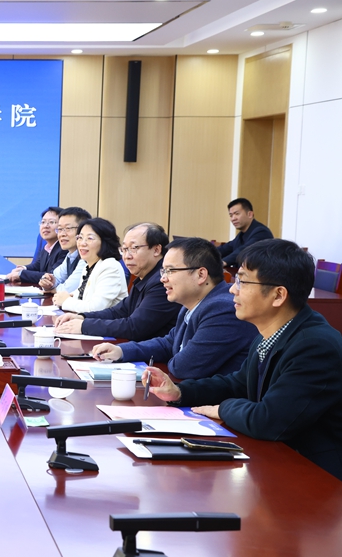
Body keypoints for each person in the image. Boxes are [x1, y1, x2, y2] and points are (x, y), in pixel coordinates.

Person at [144, 239, 342, 480]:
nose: (232, 290)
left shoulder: (315, 346)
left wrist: (222, 409)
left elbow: (269, 420)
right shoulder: (268, 334)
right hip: (277, 462)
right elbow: (237, 384)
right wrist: (179, 392)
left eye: (242, 282)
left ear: (278, 295)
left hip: (318, 477)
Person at [91, 237, 257, 379]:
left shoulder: (223, 309)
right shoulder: (192, 304)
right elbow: (169, 343)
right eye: (163, 271)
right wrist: (121, 351)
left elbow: (184, 367)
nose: (163, 279)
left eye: (170, 271)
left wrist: (172, 355)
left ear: (201, 275)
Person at [55, 223, 180, 341]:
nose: (127, 256)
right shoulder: (144, 277)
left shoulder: (162, 282)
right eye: (124, 249)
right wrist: (82, 317)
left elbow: (134, 327)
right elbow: (119, 311)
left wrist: (84, 326)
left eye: (134, 248)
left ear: (156, 250)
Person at [52, 217, 127, 313]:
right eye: (80, 238)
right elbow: (81, 296)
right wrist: (67, 297)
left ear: (105, 242)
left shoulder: (110, 267)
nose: (82, 243)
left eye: (90, 238)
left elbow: (96, 308)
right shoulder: (88, 266)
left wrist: (65, 301)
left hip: (106, 322)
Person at [8, 207, 66, 284]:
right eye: (43, 222)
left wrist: (21, 274)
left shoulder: (64, 249)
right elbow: (38, 265)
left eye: (51, 222)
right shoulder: (47, 247)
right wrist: (23, 268)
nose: (46, 226)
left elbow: (51, 276)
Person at [39, 206, 91, 292]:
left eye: (68, 228)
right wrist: (47, 282)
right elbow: (55, 277)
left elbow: (68, 289)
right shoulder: (70, 255)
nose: (62, 234)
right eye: (60, 229)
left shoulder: (87, 257)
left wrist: (52, 290)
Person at [219, 197, 274, 268]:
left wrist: (223, 262)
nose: (233, 218)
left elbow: (245, 251)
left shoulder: (261, 232)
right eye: (231, 215)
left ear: (250, 214)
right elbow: (225, 249)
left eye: (237, 214)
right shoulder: (241, 234)